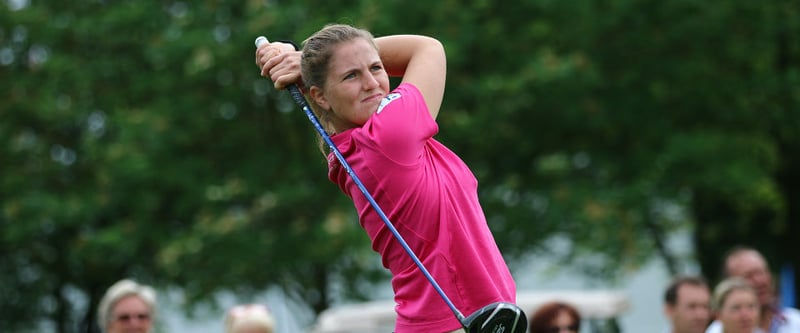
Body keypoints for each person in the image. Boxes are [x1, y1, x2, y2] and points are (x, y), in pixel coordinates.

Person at [255, 24, 517, 333]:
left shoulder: (355, 147)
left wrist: (309, 64)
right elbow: (427, 48)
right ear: (320, 97)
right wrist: (305, 63)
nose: (372, 84)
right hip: (453, 324)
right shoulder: (389, 134)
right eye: (351, 75)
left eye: (376, 68)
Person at [705, 246, 800, 333]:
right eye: (749, 276)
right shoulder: (715, 330)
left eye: (762, 272)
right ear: (730, 284)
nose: (760, 281)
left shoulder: (796, 320)